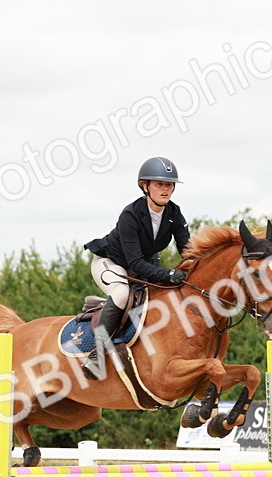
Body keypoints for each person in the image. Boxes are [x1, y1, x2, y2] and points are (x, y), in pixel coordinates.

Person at [81, 156, 190, 380]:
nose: (165, 189)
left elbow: (189, 250)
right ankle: (97, 355)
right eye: (159, 184)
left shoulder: (174, 214)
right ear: (145, 186)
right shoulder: (130, 214)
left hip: (143, 267)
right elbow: (135, 263)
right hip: (111, 263)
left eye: (169, 185)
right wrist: (170, 274)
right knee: (121, 294)